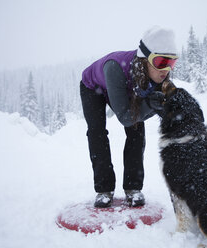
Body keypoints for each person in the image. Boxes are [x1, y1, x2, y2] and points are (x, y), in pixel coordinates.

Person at [80, 26, 178, 208]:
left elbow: (165, 112)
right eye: (160, 61)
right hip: (94, 87)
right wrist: (149, 105)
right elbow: (125, 117)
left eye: (171, 63)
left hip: (126, 85)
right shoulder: (115, 68)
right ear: (145, 59)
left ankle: (133, 188)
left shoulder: (156, 75)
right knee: (97, 132)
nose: (166, 69)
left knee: (136, 131)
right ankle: (104, 189)